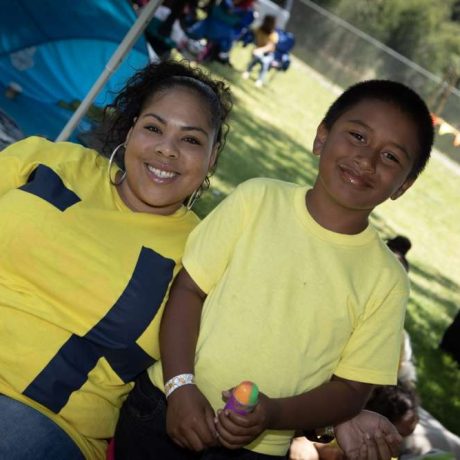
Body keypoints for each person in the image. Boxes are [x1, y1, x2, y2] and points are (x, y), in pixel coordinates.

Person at [114, 78, 434, 460]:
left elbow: (351, 391)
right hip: (164, 407)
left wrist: (273, 414)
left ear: (404, 185)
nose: (366, 160)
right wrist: (181, 386)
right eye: (357, 136)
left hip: (259, 449)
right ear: (322, 138)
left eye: (391, 157)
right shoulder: (257, 198)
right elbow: (188, 290)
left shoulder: (387, 281)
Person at [0, 59, 233, 460]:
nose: (166, 149)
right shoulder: (51, 161)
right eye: (154, 128)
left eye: (191, 140)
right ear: (130, 130)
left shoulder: (203, 252)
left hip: (41, 416)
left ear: (211, 159)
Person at [242, 15, 279, 87]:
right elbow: (251, 31)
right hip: (257, 51)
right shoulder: (259, 29)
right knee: (255, 58)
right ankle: (247, 71)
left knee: (265, 62)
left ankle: (260, 80)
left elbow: (270, 47)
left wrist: (260, 50)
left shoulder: (273, 35)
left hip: (268, 54)